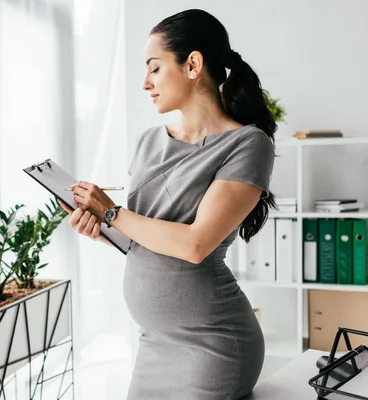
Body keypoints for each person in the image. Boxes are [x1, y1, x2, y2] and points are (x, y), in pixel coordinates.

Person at [58, 8, 277, 400]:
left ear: (192, 64)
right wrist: (102, 227)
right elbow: (142, 238)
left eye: (154, 68)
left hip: (213, 347)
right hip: (153, 345)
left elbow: (195, 244)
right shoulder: (148, 142)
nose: (145, 83)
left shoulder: (248, 143)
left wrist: (112, 212)